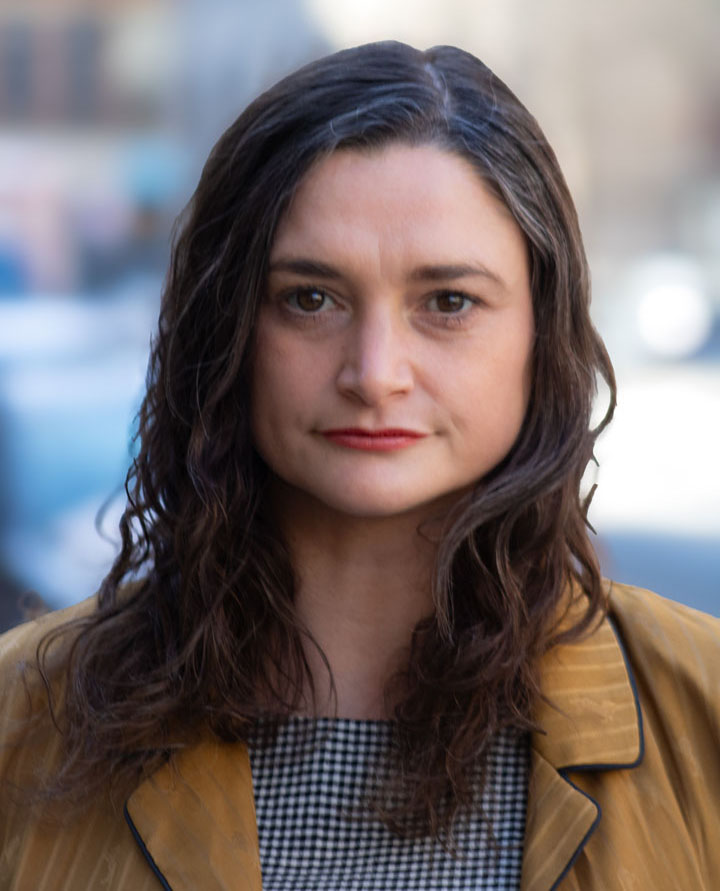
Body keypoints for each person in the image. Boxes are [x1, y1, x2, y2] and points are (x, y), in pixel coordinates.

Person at [1, 41, 718, 891]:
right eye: (310, 299)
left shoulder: (701, 712)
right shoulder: (22, 720)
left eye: (448, 302)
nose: (375, 373)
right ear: (227, 330)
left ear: (541, 332)